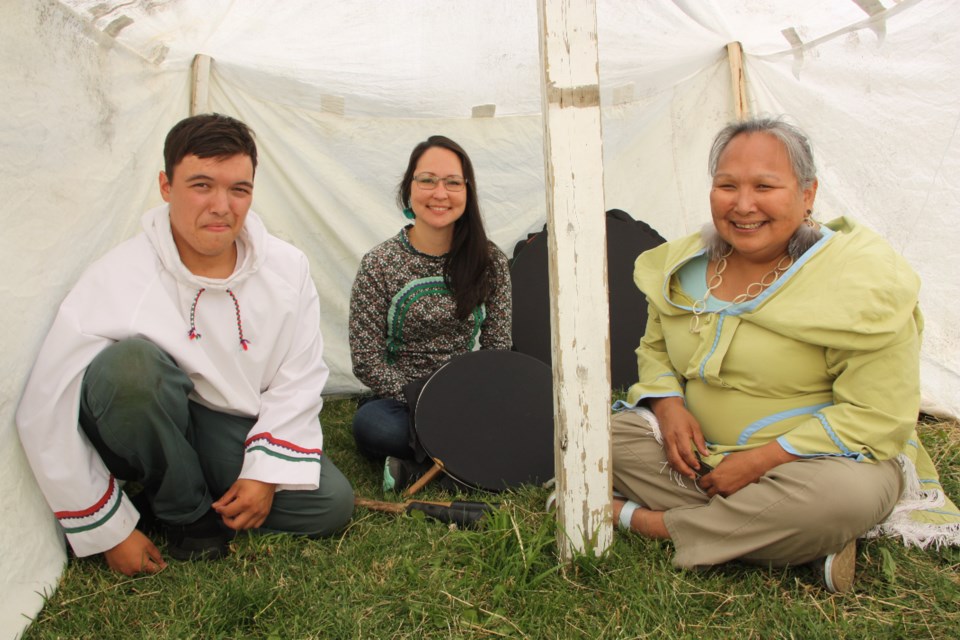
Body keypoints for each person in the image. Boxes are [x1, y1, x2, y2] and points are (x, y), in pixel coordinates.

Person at [611, 117, 958, 593]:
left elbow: (878, 413)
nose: (743, 204)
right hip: (702, 457)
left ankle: (650, 522)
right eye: (727, 185)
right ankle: (789, 541)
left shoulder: (860, 278)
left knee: (840, 501)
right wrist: (667, 406)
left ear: (808, 193)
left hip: (820, 465)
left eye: (765, 186)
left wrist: (761, 461)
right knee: (595, 438)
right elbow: (653, 349)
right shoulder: (684, 266)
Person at [16, 113, 354, 577]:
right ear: (165, 186)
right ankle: (188, 518)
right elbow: (46, 403)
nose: (222, 206)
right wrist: (109, 530)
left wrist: (262, 473)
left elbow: (299, 375)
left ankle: (166, 494)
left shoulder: (287, 267)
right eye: (201, 185)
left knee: (330, 506)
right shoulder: (120, 274)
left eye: (239, 189)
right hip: (146, 418)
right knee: (131, 369)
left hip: (225, 426)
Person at [348, 135, 512, 489]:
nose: (440, 193)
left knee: (526, 411)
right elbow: (365, 359)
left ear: (467, 193)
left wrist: (470, 399)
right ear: (409, 189)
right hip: (401, 403)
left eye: (453, 182)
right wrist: (423, 402)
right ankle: (467, 460)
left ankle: (420, 469)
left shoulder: (491, 261)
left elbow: (498, 347)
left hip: (467, 396)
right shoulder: (380, 264)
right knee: (373, 426)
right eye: (427, 180)